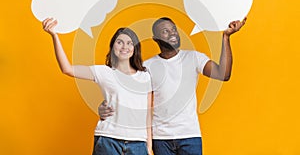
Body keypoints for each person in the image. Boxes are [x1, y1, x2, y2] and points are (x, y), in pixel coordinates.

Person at [99, 16, 246, 155]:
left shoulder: (194, 58)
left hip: (189, 135)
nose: (172, 33)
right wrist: (104, 107)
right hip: (160, 138)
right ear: (155, 39)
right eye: (165, 31)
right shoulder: (147, 67)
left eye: (174, 29)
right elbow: (126, 95)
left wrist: (226, 37)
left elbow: (223, 74)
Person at [42, 18, 152, 155]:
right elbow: (67, 69)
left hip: (138, 143)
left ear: (135, 48)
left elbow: (147, 113)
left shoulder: (145, 76)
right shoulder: (104, 72)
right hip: (108, 140)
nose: (125, 47)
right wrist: (54, 35)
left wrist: (149, 145)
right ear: (113, 47)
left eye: (130, 43)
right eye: (120, 42)